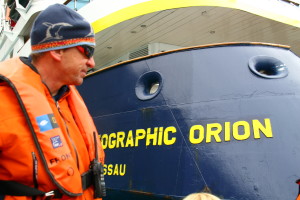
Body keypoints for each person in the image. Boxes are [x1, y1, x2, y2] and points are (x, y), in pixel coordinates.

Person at [0, 3, 105, 200]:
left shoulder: (68, 98)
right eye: (87, 51)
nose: (92, 63)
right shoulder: (3, 102)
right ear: (57, 50)